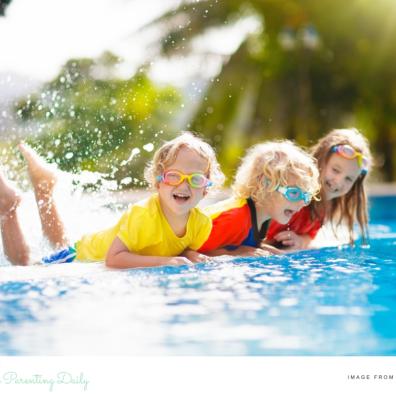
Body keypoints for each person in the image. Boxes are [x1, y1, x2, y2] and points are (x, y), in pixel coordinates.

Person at [0, 132, 225, 268]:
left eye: (195, 179)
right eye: (174, 176)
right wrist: (166, 262)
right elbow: (113, 259)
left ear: (206, 188)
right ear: (158, 181)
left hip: (90, 248)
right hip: (83, 254)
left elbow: (180, 250)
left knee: (59, 241)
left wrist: (191, 255)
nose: (183, 186)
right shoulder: (143, 215)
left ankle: (44, 187)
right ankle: (8, 206)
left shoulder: (201, 224)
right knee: (26, 265)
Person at [195, 140, 321, 257]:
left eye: (306, 196)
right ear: (265, 185)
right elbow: (191, 253)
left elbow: (240, 243)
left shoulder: (261, 217)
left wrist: (266, 249)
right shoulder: (235, 218)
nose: (301, 203)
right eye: (294, 193)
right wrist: (239, 252)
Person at [266, 128, 372, 250]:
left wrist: (300, 240)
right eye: (335, 170)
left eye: (348, 179)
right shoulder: (295, 193)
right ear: (320, 160)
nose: (339, 181)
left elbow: (309, 236)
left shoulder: (325, 206)